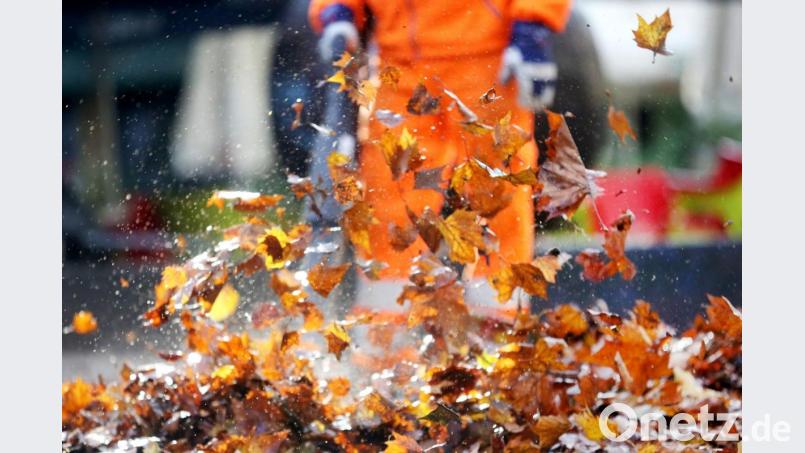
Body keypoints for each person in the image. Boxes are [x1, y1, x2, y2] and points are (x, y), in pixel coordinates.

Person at [308, 0, 573, 312]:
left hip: (487, 56)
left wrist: (532, 27)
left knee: (498, 190)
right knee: (391, 193)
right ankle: (389, 335)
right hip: (401, 62)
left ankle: (499, 329)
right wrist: (339, 11)